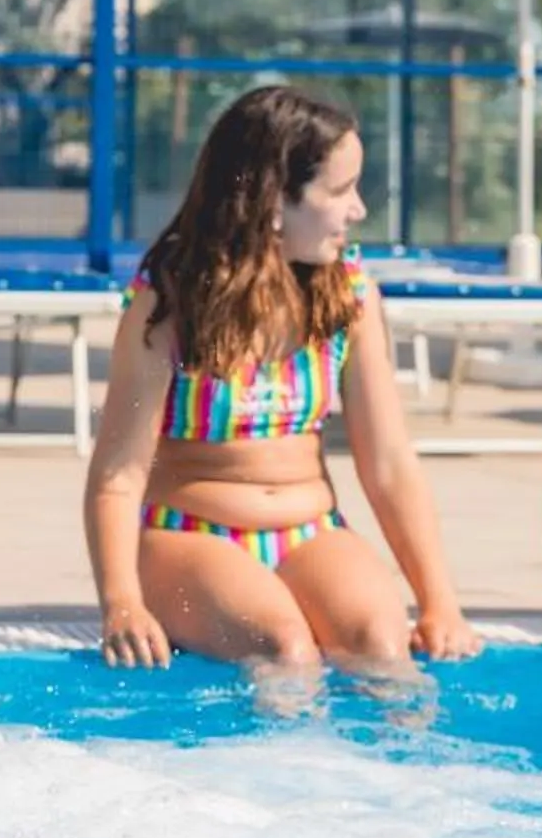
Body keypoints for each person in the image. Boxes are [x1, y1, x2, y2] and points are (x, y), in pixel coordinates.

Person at [86, 84, 482, 685]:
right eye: (341, 191)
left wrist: (439, 601)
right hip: (190, 536)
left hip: (311, 532)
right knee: (285, 651)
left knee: (382, 648)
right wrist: (121, 602)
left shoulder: (347, 296)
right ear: (272, 200)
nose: (358, 210)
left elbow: (389, 463)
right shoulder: (167, 307)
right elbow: (118, 475)